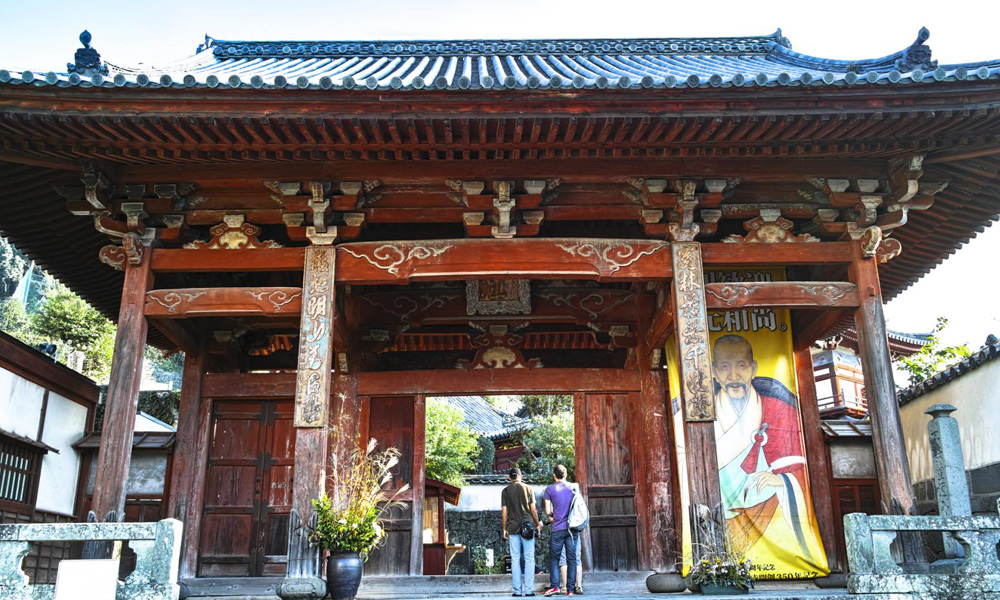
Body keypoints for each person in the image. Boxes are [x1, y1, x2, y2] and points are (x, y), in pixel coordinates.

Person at [711, 334, 824, 563]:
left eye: (741, 366)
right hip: (720, 511)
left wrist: (783, 482)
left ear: (753, 368)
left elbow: (799, 466)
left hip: (769, 508)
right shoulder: (698, 413)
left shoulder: (779, 409)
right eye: (724, 367)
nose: (734, 376)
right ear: (713, 371)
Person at [502, 467, 542, 597]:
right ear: (521, 476)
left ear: (509, 478)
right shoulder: (528, 489)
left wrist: (504, 528)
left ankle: (517, 591)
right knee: (529, 558)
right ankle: (529, 590)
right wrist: (537, 523)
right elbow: (533, 509)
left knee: (515, 559)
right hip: (528, 526)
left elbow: (504, 512)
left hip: (513, 527)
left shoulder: (505, 491)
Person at [542, 464, 577, 597]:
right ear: (566, 474)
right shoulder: (573, 488)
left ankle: (555, 586)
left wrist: (553, 517)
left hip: (557, 528)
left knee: (554, 559)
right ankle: (570, 590)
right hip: (572, 528)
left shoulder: (550, 490)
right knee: (571, 559)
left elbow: (548, 512)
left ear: (554, 475)